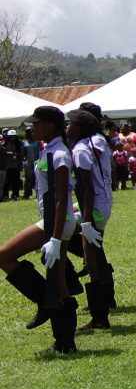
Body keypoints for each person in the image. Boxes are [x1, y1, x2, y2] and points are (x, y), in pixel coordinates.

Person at [0, 106, 79, 353]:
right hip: (56, 221)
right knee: (58, 281)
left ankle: (46, 302)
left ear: (50, 125)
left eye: (36, 124)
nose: (32, 128)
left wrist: (55, 237)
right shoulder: (51, 150)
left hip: (56, 222)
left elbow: (61, 198)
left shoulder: (59, 154)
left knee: (4, 255)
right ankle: (65, 342)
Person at [66, 108, 115, 331]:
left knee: (93, 261)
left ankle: (100, 317)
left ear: (79, 129)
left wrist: (86, 222)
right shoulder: (83, 146)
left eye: (70, 123)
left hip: (94, 209)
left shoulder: (80, 151)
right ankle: (101, 313)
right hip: (98, 205)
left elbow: (88, 189)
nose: (67, 127)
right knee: (93, 257)